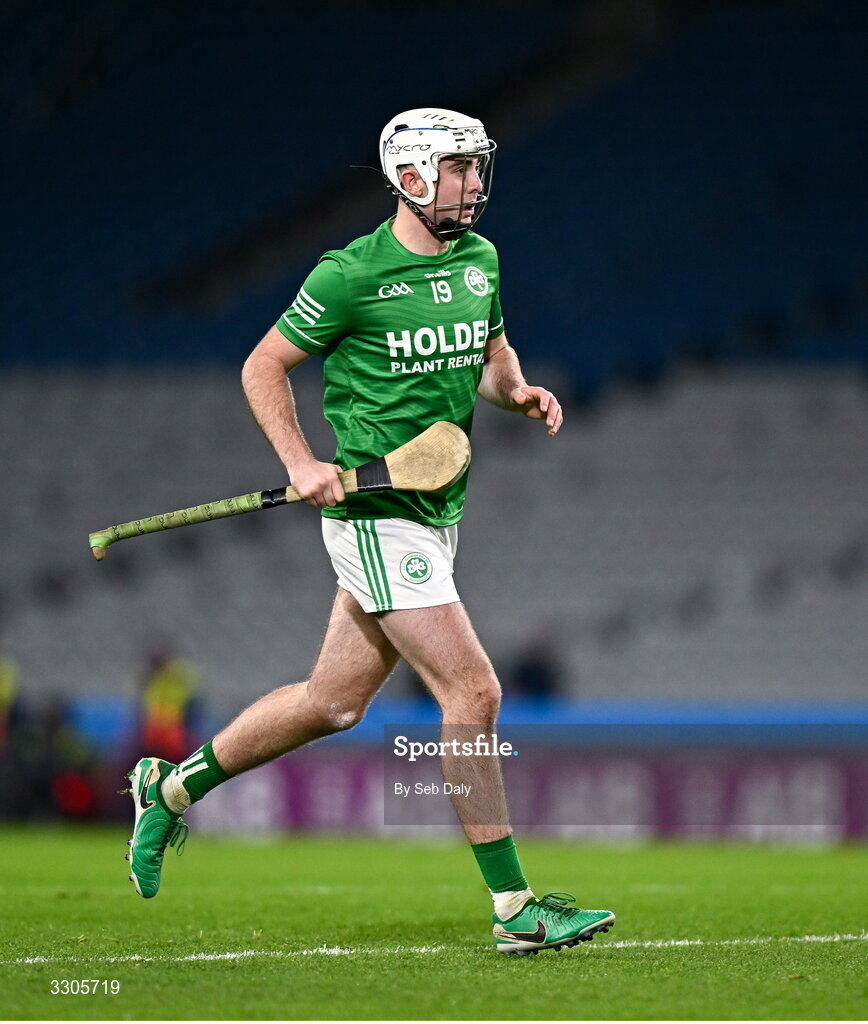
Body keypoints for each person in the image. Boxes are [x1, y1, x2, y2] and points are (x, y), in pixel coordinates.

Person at [124, 108, 614, 955]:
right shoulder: (350, 274)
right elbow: (262, 364)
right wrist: (301, 459)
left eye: (476, 167)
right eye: (459, 169)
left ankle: (168, 791)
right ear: (413, 178)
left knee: (332, 703)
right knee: (476, 694)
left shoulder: (480, 260)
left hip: (438, 512)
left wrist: (520, 390)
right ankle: (516, 911)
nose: (475, 183)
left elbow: (491, 357)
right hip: (375, 517)